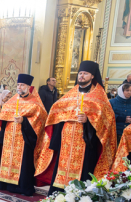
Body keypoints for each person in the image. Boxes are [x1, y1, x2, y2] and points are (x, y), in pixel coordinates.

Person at [35, 61, 116, 194]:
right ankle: (58, 194)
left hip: (86, 141)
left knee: (84, 170)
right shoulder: (70, 94)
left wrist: (88, 121)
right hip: (66, 141)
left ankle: (79, 197)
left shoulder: (99, 96)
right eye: (80, 73)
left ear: (92, 76)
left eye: (85, 74)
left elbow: (107, 120)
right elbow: (57, 110)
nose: (82, 76)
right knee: (62, 167)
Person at [0, 74, 48, 196]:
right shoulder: (11, 101)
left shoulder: (35, 103)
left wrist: (24, 121)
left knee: (24, 163)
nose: (19, 87)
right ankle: (6, 183)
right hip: (9, 138)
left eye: (22, 85)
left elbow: (41, 120)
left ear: (28, 86)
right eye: (18, 85)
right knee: (7, 160)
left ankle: (22, 187)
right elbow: (3, 116)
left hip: (25, 138)